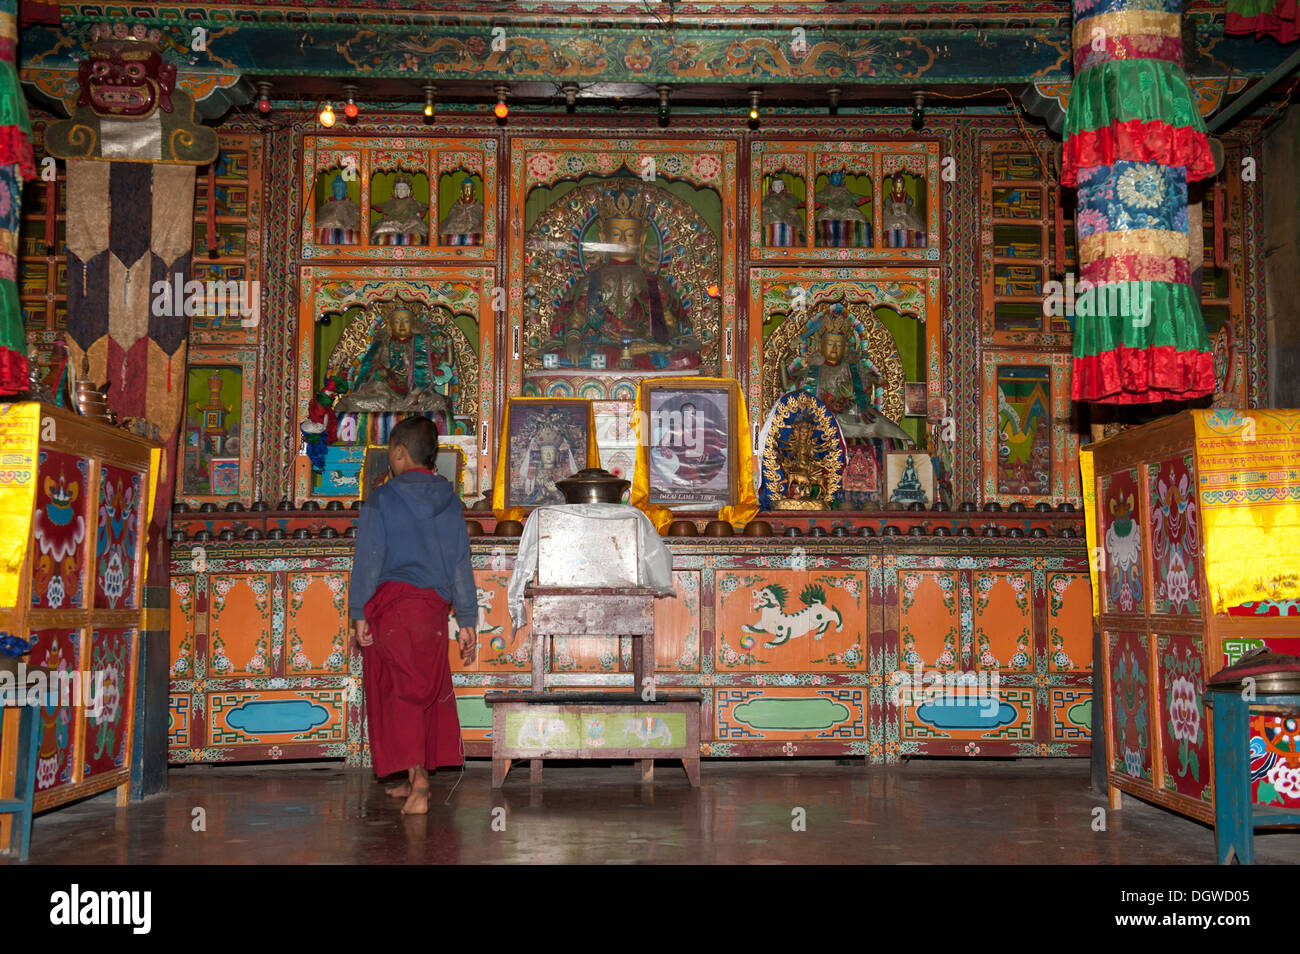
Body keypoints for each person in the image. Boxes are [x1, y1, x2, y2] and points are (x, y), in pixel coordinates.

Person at [348, 416, 477, 814]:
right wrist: (467, 618)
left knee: (399, 693)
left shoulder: (382, 499)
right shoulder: (450, 500)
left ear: (399, 453)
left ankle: (419, 782)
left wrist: (358, 611)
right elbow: (459, 561)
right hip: (433, 612)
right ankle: (411, 777)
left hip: (393, 608)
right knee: (422, 689)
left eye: (391, 452)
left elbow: (369, 560)